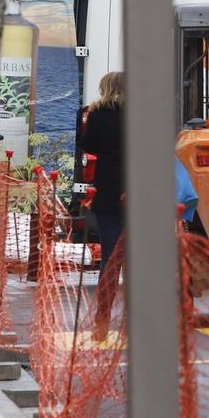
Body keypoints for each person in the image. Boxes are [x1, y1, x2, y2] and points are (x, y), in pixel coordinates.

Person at [77, 71, 127, 277]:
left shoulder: (98, 115)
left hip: (108, 190)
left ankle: (104, 308)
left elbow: (88, 146)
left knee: (111, 255)